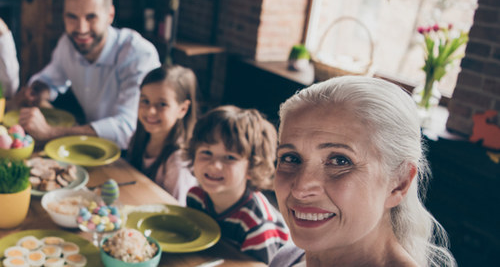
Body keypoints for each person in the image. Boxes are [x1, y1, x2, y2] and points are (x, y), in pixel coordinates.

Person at [270, 76, 455, 267]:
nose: (300, 188)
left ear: (399, 183)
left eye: (340, 161)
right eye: (291, 158)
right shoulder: (286, 258)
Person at [15, 0, 160, 149]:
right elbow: (50, 80)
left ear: (110, 15)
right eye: (72, 17)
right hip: (92, 146)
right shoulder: (67, 44)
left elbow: (127, 128)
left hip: (136, 155)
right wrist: (38, 89)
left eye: (91, 17)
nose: (81, 29)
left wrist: (51, 133)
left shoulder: (138, 54)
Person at [184, 105, 289, 264]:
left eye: (230, 157)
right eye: (206, 152)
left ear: (252, 167)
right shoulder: (195, 196)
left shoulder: (256, 223)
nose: (214, 165)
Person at [124, 65, 197, 204]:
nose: (150, 111)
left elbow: (177, 212)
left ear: (183, 109)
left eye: (162, 104)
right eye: (145, 101)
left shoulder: (178, 163)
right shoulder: (140, 137)